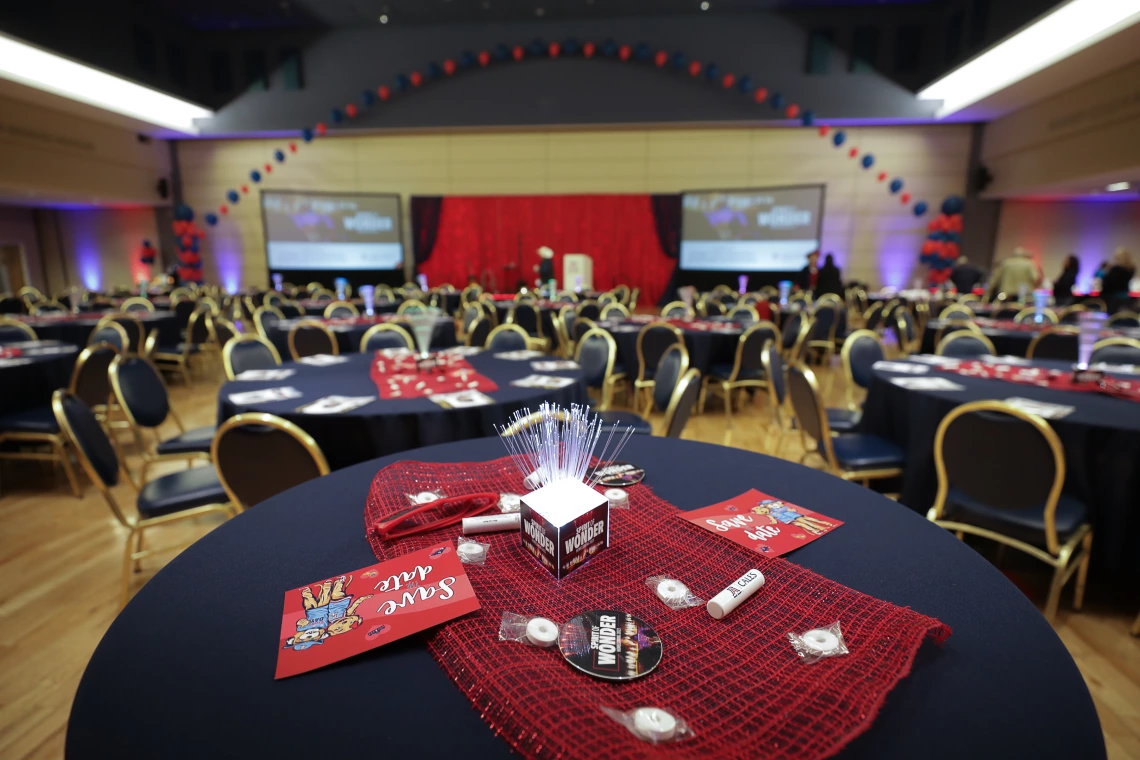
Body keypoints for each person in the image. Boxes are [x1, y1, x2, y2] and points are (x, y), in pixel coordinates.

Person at [1101, 247, 1135, 312]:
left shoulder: (1115, 269)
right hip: (1126, 295)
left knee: (1112, 317)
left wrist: (1106, 273)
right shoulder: (1131, 269)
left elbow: (1109, 283)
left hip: (1114, 297)